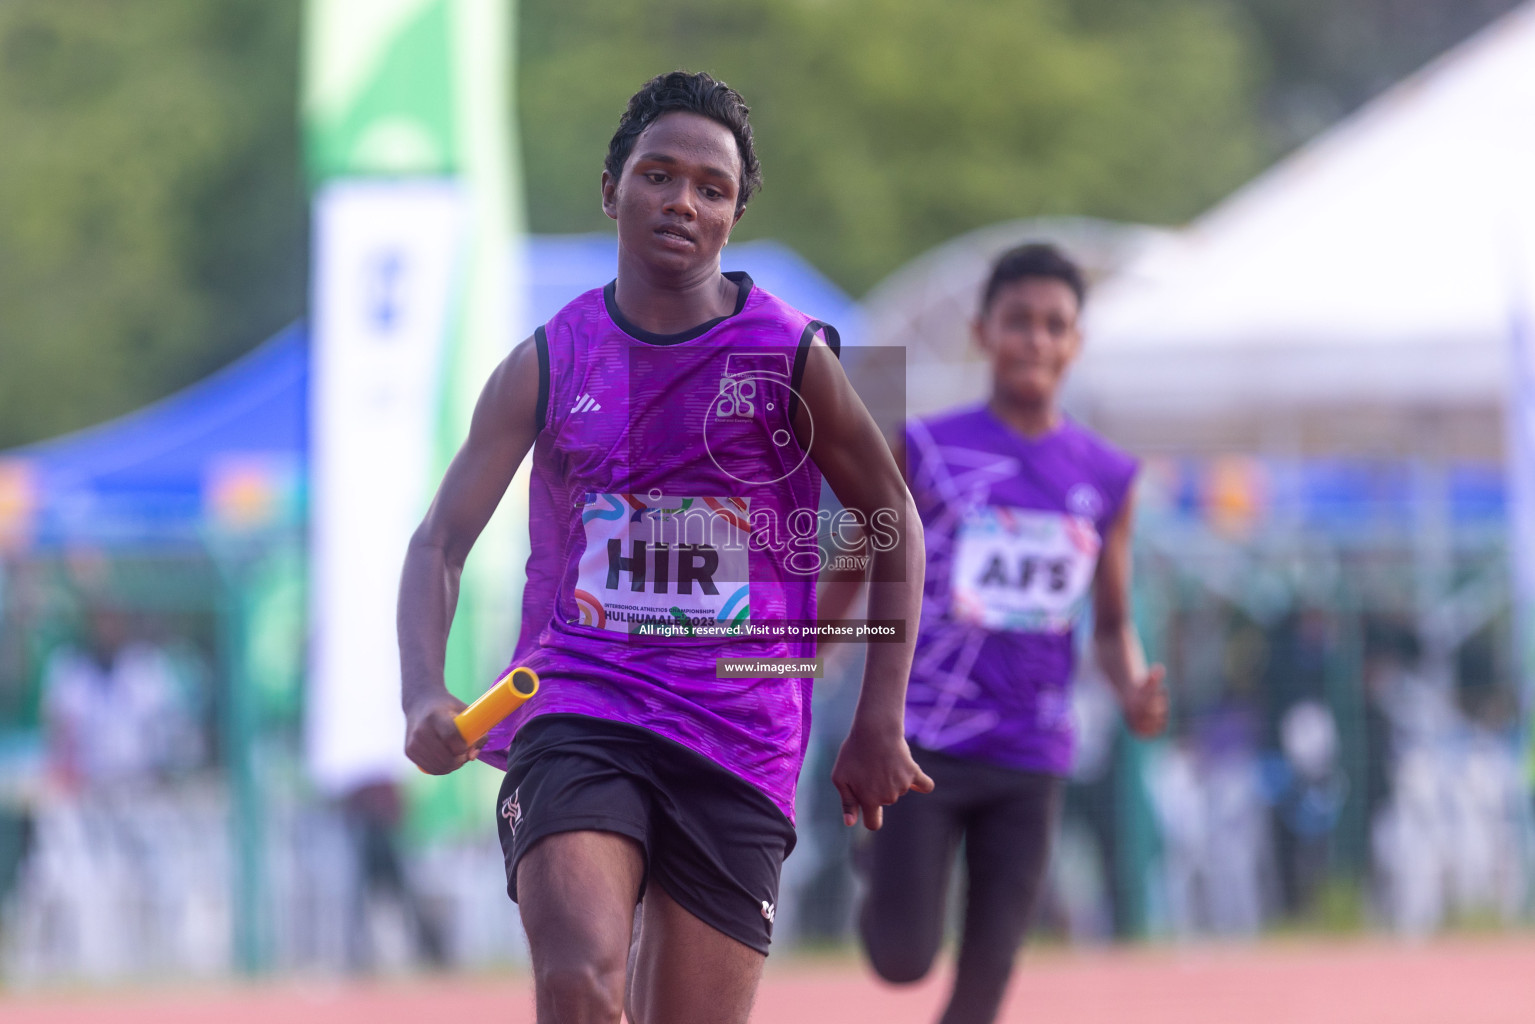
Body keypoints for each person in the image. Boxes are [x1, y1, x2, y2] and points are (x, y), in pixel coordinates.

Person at [397, 70, 931, 1024]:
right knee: (578, 981)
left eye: (712, 187)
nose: (682, 201)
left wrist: (877, 719)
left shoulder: (796, 356)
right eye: (658, 175)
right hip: (581, 705)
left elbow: (892, 519)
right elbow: (440, 540)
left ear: (733, 214)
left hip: (741, 729)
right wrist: (423, 691)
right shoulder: (549, 361)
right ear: (612, 189)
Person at [854, 243, 1168, 1024]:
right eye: (1017, 321)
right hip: (920, 739)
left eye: (1053, 324)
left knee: (987, 976)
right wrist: (812, 642)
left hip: (1031, 749)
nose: (1034, 339)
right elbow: (853, 560)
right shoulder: (924, 448)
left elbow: (1111, 623)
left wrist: (1131, 684)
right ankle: (879, 871)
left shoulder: (1105, 476)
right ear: (982, 331)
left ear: (1075, 343)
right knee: (902, 960)